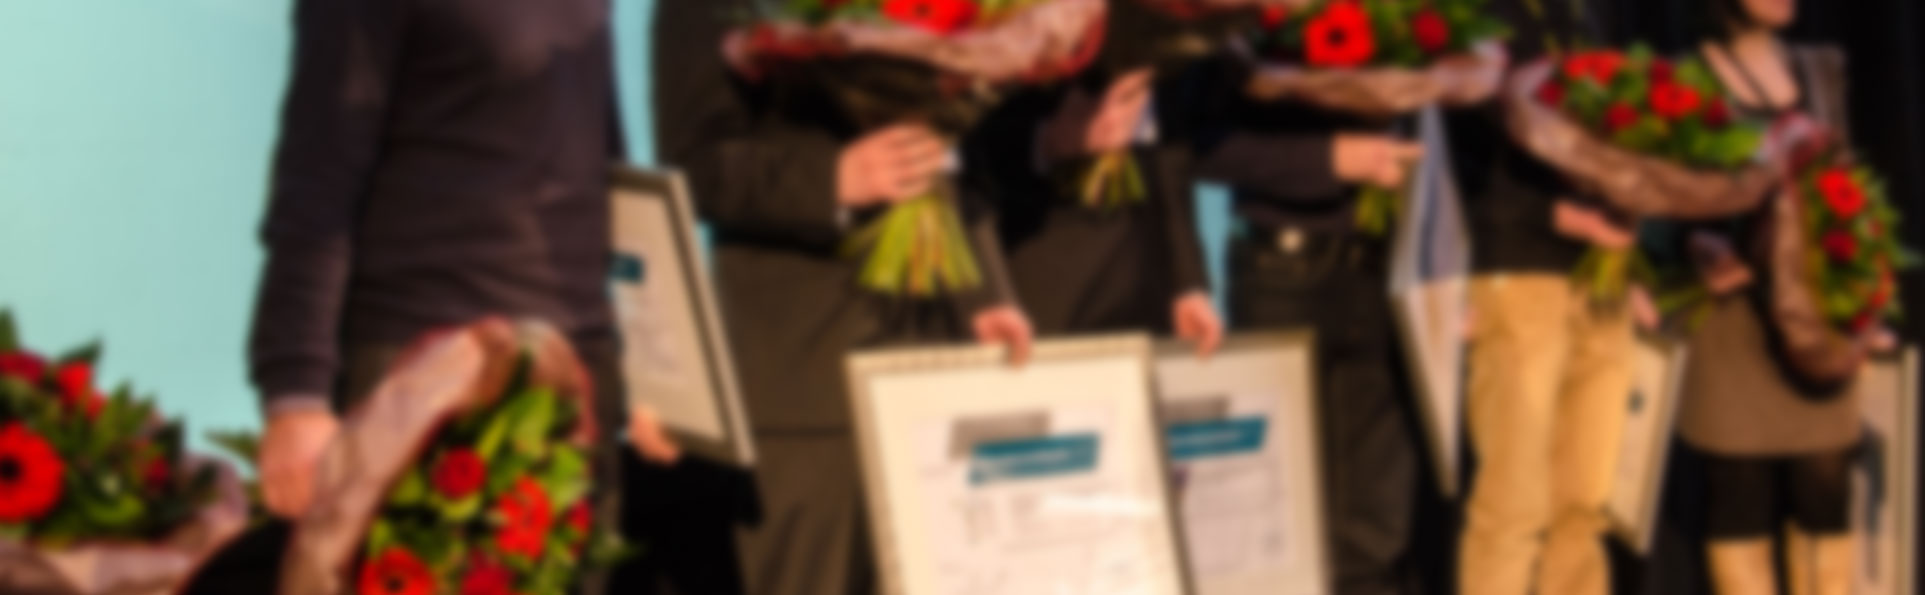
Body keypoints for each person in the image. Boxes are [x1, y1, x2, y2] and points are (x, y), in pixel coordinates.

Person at [233, 0, 669, 592]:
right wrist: (295, 394)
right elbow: (315, 182)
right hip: (424, 381)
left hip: (574, 386)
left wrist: (652, 366)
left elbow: (605, 171)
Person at [651, 1, 1035, 594]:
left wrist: (985, 290)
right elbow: (695, 164)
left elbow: (956, 149)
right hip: (805, 382)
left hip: (933, 356)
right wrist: (832, 178)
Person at [1158, 47, 1435, 594]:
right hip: (1286, 270)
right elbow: (1199, 147)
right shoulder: (1247, 29)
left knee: (1375, 519)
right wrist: (1328, 159)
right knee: (1284, 509)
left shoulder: (1401, 29)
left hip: (1387, 265)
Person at [1672, 0, 1869, 591]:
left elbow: (1849, 188)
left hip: (1812, 317)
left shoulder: (1821, 68)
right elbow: (1661, 197)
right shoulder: (1685, 77)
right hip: (1729, 316)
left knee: (1826, 485)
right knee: (1739, 492)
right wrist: (1694, 244)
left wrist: (1863, 291)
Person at [1445, 1, 1633, 594]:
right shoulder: (1477, 11)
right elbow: (1453, 160)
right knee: (1514, 505)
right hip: (1518, 270)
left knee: (1584, 507)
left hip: (1599, 278)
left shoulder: (1583, 13)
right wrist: (1551, 214)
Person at [985, 62, 1223, 356]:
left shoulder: (1163, 57)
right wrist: (1047, 140)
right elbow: (972, 142)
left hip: (1145, 282)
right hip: (1045, 264)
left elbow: (1170, 161)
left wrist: (1188, 284)